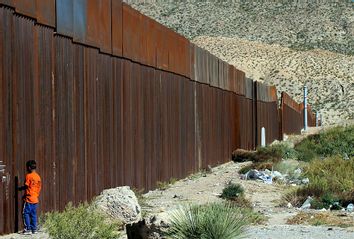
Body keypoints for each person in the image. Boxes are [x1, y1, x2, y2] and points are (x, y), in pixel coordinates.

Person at [18, 160, 42, 235]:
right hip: (35, 199)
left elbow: (26, 186)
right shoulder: (38, 177)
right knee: (33, 214)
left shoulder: (29, 176)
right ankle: (34, 229)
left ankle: (27, 229)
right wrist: (36, 195)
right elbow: (39, 187)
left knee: (26, 213)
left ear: (28, 167)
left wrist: (19, 188)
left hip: (29, 199)